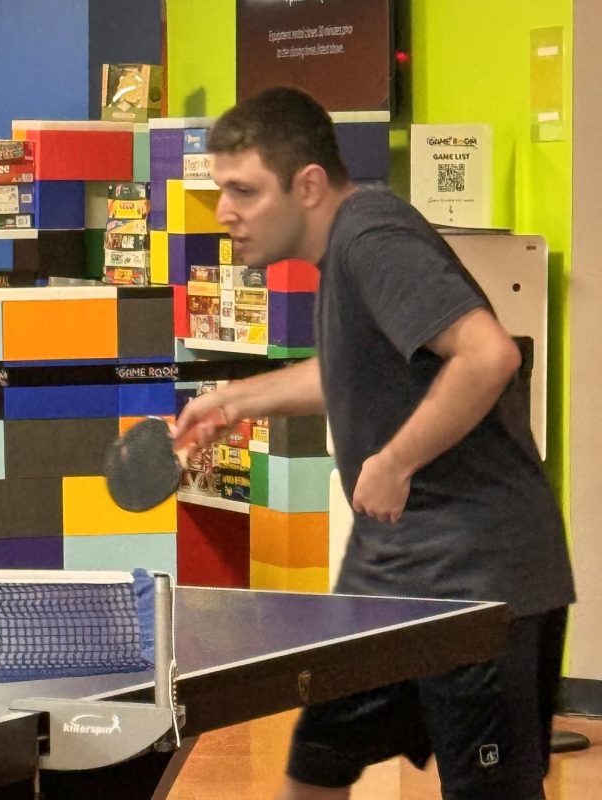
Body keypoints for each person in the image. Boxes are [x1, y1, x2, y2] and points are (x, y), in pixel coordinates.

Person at [173, 87, 574, 800]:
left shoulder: (371, 240)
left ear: (308, 184)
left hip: (478, 585)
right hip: (390, 582)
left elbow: (488, 355)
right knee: (316, 766)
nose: (225, 211)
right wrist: (234, 398)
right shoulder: (345, 253)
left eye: (243, 190)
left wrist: (395, 460)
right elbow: (352, 369)